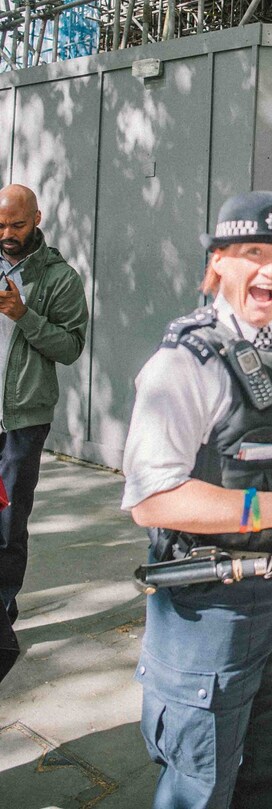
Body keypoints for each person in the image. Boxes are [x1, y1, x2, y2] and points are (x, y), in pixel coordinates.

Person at [122, 191, 272, 809]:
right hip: (215, 606)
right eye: (254, 253)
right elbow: (153, 500)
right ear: (219, 262)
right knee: (200, 783)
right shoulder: (183, 362)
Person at [0, 184, 88, 628]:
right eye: (0, 225)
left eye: (17, 224)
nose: (8, 233)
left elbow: (71, 347)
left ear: (37, 218)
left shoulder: (60, 279)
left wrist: (23, 315)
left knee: (8, 521)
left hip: (22, 418)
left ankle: (2, 612)